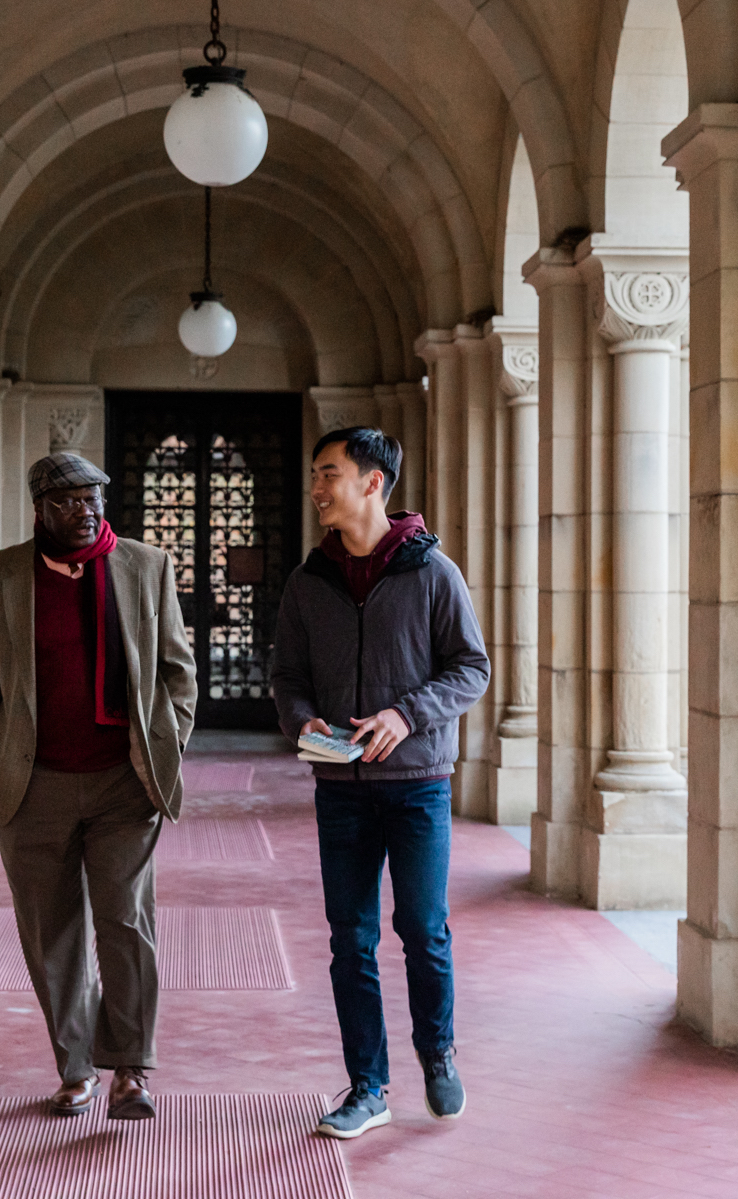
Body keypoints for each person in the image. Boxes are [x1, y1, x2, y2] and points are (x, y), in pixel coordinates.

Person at [0, 452, 196, 1121]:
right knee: (51, 931)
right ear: (38, 506)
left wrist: (166, 745)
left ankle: (131, 1069)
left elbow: (178, 672)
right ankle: (74, 1067)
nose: (86, 509)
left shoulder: (146, 567)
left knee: (126, 921)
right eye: (68, 500)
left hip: (125, 783)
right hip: (34, 788)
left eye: (93, 496)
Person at [271, 427, 490, 1139]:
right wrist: (304, 722)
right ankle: (368, 1084)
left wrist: (407, 712)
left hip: (418, 781)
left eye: (328, 473)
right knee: (350, 937)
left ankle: (438, 1052)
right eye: (314, 474)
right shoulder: (309, 583)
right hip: (340, 787)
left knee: (423, 928)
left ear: (372, 483)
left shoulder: (434, 574)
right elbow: (288, 678)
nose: (316, 488)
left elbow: (470, 667)